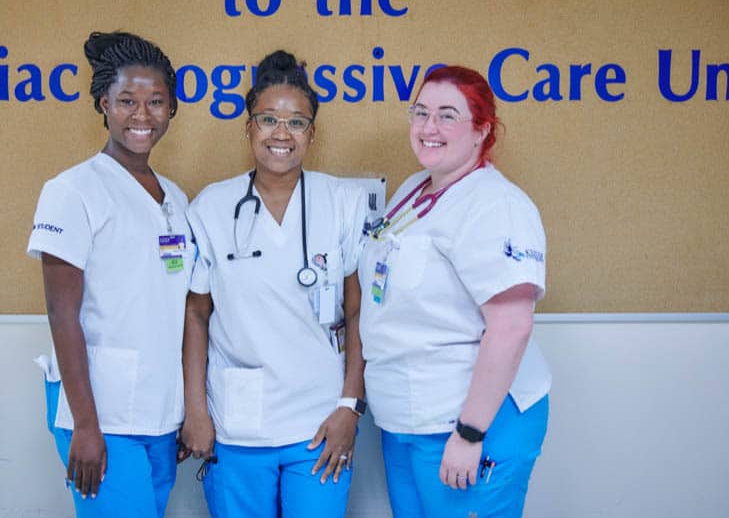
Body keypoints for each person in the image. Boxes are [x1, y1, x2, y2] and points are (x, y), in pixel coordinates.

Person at [179, 50, 368, 518]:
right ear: (248, 126)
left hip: (321, 424)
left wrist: (350, 407)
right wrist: (196, 410)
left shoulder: (340, 201)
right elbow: (196, 313)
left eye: (296, 123)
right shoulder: (211, 207)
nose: (281, 134)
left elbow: (359, 312)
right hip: (238, 425)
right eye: (268, 119)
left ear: (312, 133)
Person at [357, 65, 550, 517]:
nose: (429, 127)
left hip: (469, 425)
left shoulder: (497, 205)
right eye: (420, 112)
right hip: (408, 420)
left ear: (482, 129)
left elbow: (512, 328)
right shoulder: (414, 189)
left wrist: (469, 434)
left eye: (447, 115)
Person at [26, 31, 190, 518]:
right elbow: (61, 313)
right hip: (100, 414)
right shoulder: (72, 190)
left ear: (172, 109)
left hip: (159, 411)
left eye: (156, 102)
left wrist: (180, 413)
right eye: (127, 101)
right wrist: (85, 425)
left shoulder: (176, 199)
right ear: (103, 104)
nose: (142, 116)